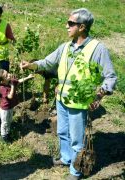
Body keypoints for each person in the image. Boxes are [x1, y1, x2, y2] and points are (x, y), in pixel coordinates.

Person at [20, 8, 117, 180]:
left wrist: (98, 96)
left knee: (77, 139)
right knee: (63, 132)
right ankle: (66, 158)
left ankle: (76, 170)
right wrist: (31, 65)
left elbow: (110, 77)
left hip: (79, 104)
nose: (67, 26)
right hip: (61, 100)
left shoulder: (97, 49)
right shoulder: (65, 47)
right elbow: (47, 62)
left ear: (81, 27)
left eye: (70, 23)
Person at [0, 69, 34, 143]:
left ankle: (7, 133)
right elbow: (10, 96)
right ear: (2, 81)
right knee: (4, 122)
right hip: (5, 109)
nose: (9, 75)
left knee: (9, 120)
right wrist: (12, 86)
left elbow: (19, 81)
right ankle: (3, 137)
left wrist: (28, 77)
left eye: (8, 73)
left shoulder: (10, 81)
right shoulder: (2, 88)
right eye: (6, 76)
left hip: (10, 107)